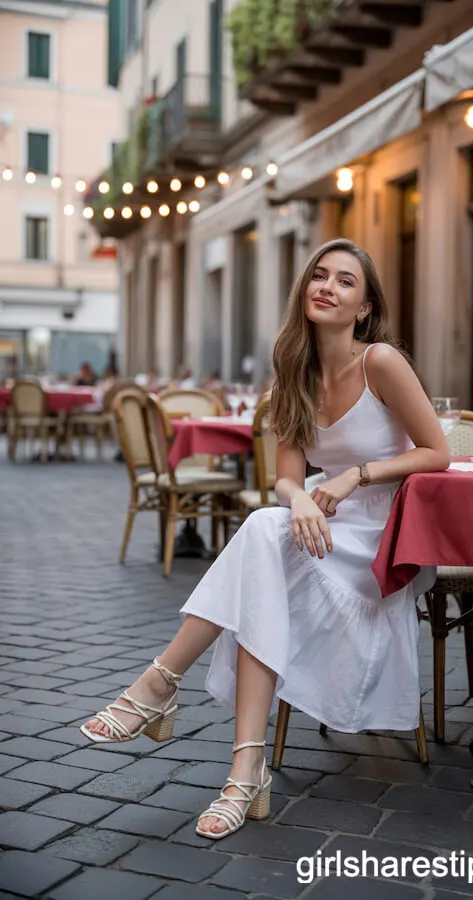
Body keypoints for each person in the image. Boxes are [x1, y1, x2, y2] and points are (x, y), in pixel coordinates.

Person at [80, 238, 450, 839]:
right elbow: (284, 480)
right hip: (322, 524)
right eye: (319, 276)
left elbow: (439, 454)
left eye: (345, 281)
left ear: (363, 306)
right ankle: (244, 770)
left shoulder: (380, 361)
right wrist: (301, 495)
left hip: (388, 534)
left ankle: (160, 684)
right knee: (262, 559)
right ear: (305, 291)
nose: (327, 286)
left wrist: (356, 474)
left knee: (259, 537)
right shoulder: (292, 379)